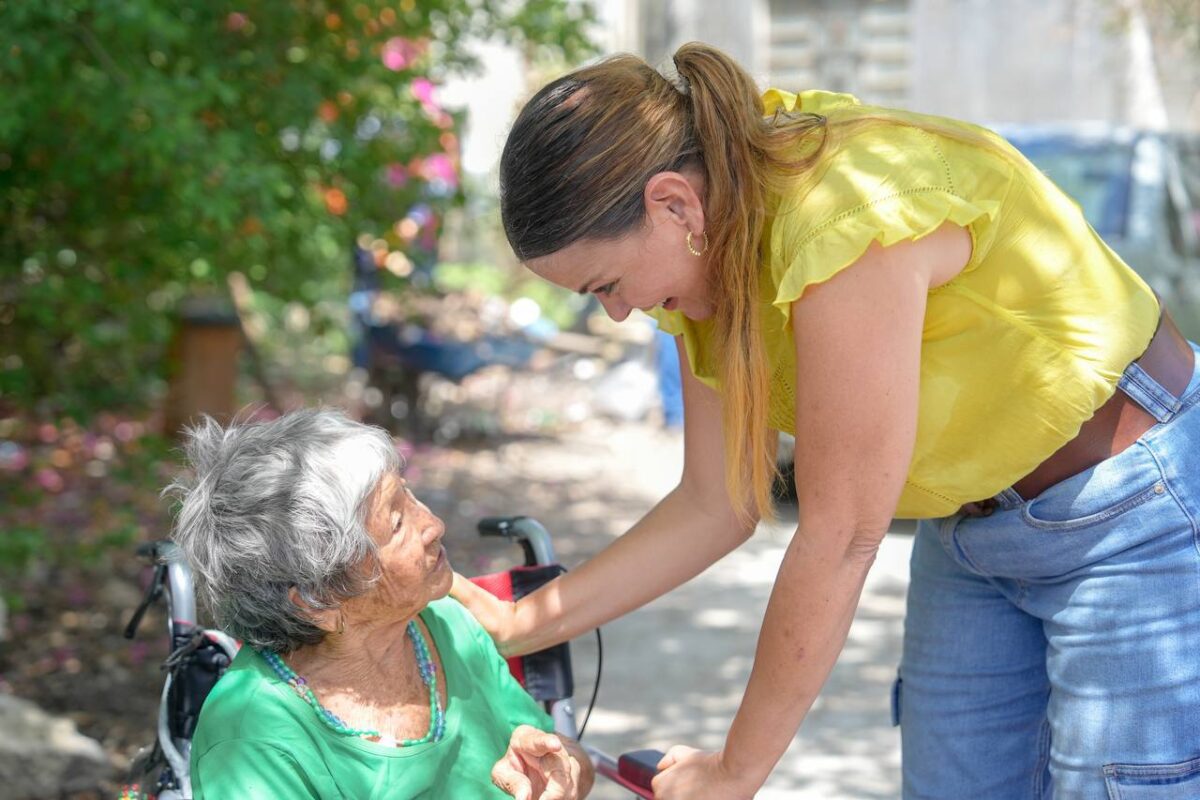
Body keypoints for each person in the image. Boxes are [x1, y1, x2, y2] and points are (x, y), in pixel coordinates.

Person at [449, 42, 1200, 799]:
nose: (615, 312)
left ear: (673, 203)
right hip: (971, 531)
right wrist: (523, 623)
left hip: (1132, 512)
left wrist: (734, 772)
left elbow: (841, 536)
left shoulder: (841, 219)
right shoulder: (702, 255)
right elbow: (720, 502)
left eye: (607, 284)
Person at [168, 409, 593, 800]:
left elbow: (565, 756)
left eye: (408, 495)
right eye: (396, 522)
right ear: (319, 601)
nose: (434, 525)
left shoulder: (446, 623)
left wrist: (560, 768)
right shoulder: (253, 734)